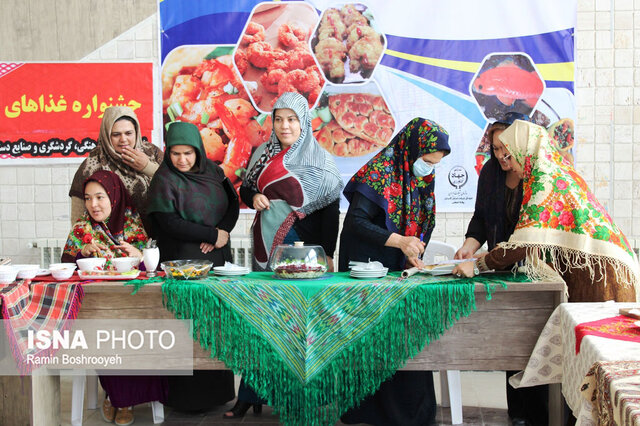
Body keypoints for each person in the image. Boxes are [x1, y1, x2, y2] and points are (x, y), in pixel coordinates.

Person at [225, 92, 343, 419]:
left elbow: (331, 209)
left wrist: (328, 254)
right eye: (279, 119)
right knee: (262, 321)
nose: (285, 125)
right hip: (266, 247)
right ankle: (250, 394)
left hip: (305, 252)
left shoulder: (320, 158)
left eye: (292, 119)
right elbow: (246, 189)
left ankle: (302, 396)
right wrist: (256, 195)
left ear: (304, 121)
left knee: (302, 326)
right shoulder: (263, 153)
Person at [339, 117, 451, 426]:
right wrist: (400, 241)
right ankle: (368, 412)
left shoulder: (419, 177)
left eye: (434, 164)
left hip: (396, 271)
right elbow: (355, 224)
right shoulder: (379, 172)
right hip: (366, 270)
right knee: (370, 341)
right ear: (411, 149)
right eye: (426, 161)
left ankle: (409, 414)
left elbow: (420, 224)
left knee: (403, 340)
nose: (428, 168)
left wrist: (415, 252)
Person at [452, 119, 639, 301]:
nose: (507, 161)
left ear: (525, 153)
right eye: (498, 150)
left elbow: (524, 243)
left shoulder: (545, 181)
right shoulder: (552, 170)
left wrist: (478, 266)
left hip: (602, 273)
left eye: (511, 155)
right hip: (594, 267)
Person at [454, 113, 548, 426]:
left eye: (506, 149)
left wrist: (482, 262)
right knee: (513, 342)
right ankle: (518, 414)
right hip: (504, 272)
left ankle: (542, 416)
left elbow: (534, 235)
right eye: (495, 149)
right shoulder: (491, 173)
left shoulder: (542, 175)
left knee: (539, 345)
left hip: (539, 273)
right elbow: (481, 218)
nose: (501, 156)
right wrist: (470, 245)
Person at [61, 170, 168, 426]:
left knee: (138, 329)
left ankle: (120, 398)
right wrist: (81, 254)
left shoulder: (134, 224)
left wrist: (139, 255)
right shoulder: (82, 228)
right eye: (87, 198)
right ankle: (120, 398)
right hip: (97, 308)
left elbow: (153, 271)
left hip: (135, 305)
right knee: (107, 330)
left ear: (114, 196)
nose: (93, 205)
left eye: (99, 197)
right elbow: (65, 269)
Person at [145, 121, 238, 412]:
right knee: (184, 327)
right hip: (178, 263)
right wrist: (210, 235)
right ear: (167, 153)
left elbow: (232, 205)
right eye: (175, 154)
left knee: (213, 326)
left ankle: (218, 393)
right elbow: (167, 223)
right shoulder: (163, 179)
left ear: (198, 150)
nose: (182, 160)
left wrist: (221, 232)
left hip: (215, 263)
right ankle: (184, 398)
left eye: (188, 153)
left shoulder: (215, 173)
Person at [69, 106, 163, 232]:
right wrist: (85, 242)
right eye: (116, 135)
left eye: (129, 133)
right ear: (106, 135)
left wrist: (147, 167)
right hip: (112, 244)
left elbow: (177, 183)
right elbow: (78, 216)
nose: (123, 139)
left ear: (137, 132)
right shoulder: (91, 165)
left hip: (156, 239)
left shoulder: (152, 154)